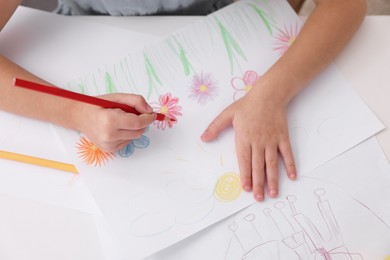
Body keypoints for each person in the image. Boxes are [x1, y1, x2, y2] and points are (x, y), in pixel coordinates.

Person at [0, 0, 367, 201]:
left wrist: (272, 93)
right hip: (88, 35)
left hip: (233, 25)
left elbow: (347, 5)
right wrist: (76, 110)